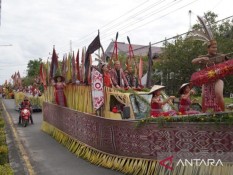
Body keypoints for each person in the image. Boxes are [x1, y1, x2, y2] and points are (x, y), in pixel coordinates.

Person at [191, 40, 227, 112]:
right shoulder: (203, 57)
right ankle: (203, 114)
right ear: (208, 48)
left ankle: (223, 113)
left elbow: (228, 63)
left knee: (218, 94)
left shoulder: (220, 56)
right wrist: (201, 59)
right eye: (213, 47)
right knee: (204, 97)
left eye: (216, 47)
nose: (215, 49)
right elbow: (193, 61)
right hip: (207, 80)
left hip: (218, 79)